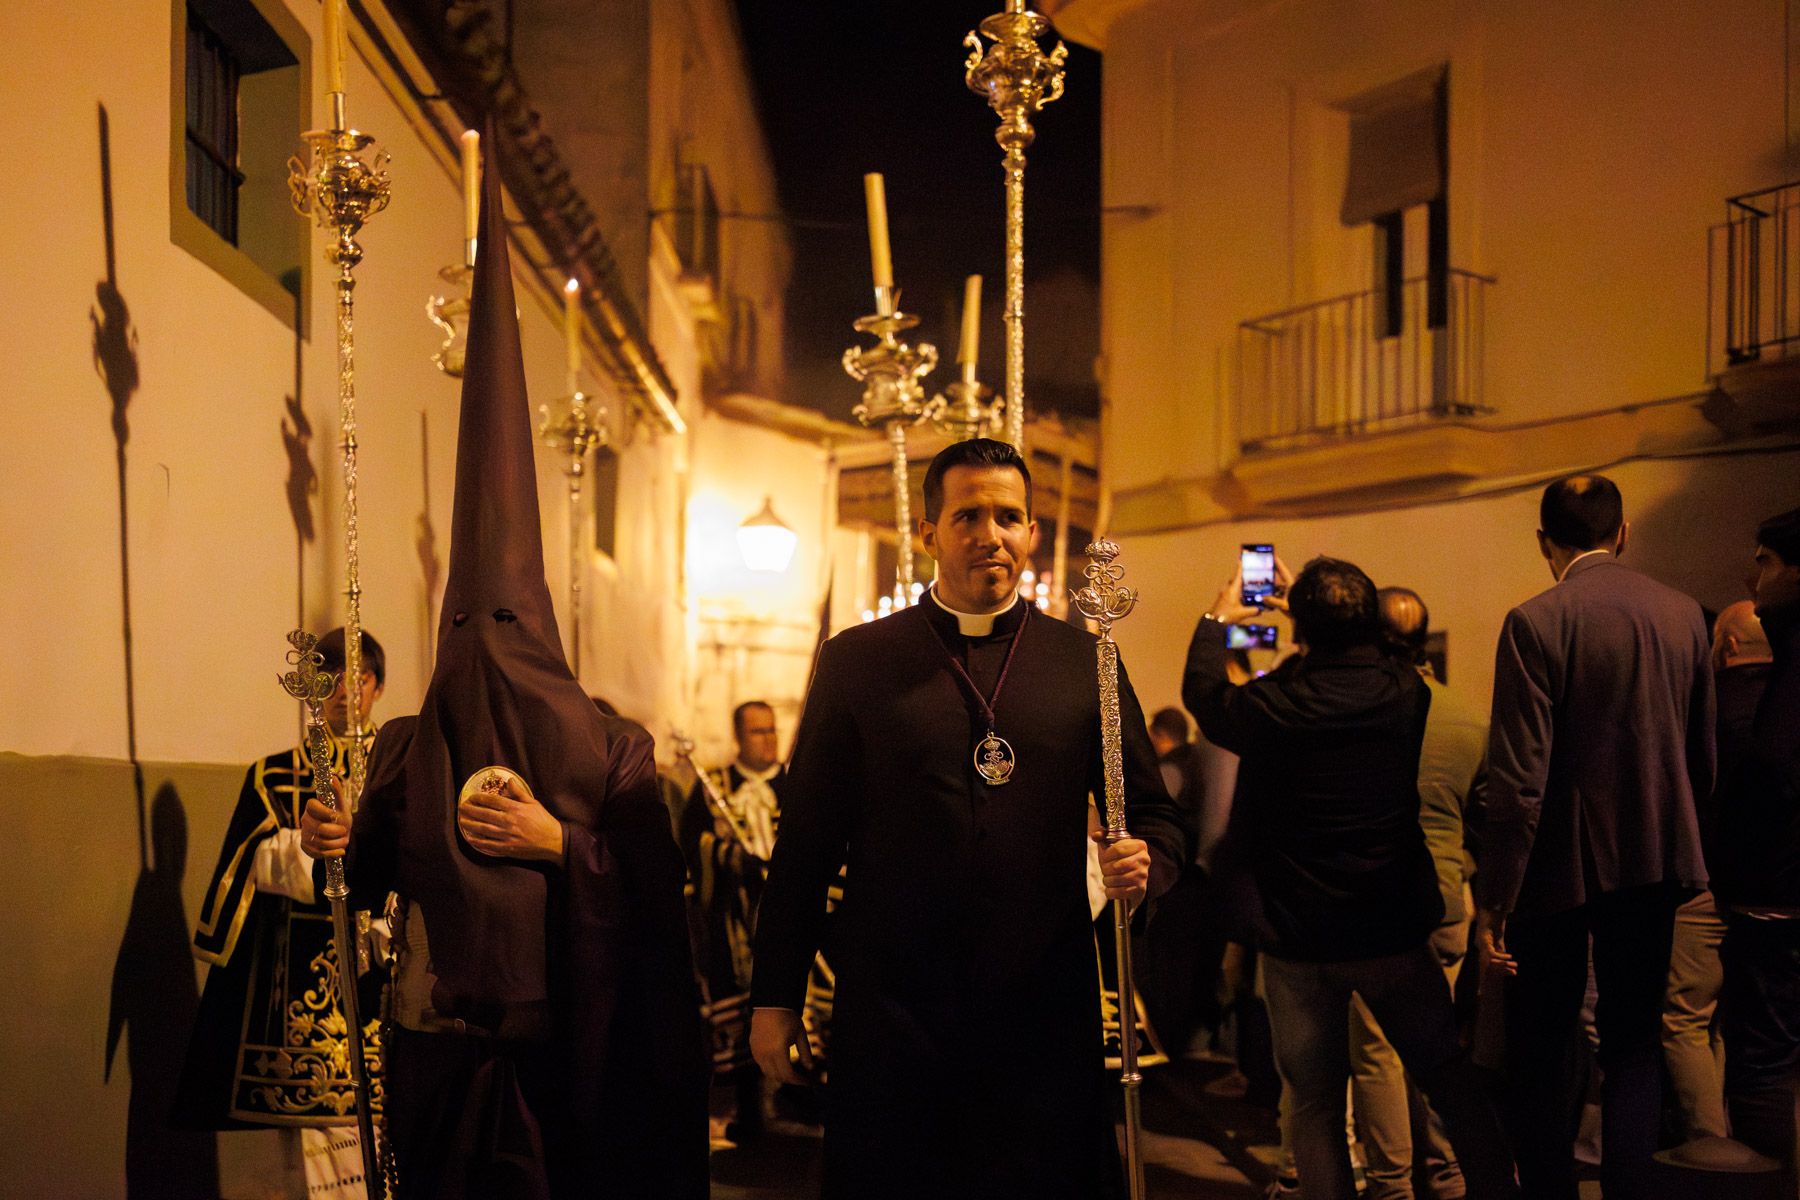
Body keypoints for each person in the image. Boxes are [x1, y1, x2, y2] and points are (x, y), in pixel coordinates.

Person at [301, 151, 705, 1199]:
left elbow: (657, 897)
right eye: (466, 626)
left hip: (563, 1058)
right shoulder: (407, 745)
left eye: (510, 625)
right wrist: (338, 842)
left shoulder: (614, 750)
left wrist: (559, 843)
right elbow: (372, 879)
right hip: (435, 1048)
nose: (485, 648)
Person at [749, 437, 1190, 1199]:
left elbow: (1153, 813)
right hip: (896, 1008)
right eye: (968, 516)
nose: (992, 534)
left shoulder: (1085, 663)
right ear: (929, 533)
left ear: (1032, 533)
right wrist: (775, 996)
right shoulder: (858, 661)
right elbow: (807, 842)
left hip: (1042, 1008)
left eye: (1009, 517)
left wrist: (1147, 863)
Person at [1184, 555, 1516, 1200]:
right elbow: (1372, 655)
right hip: (1391, 931)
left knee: (1314, 1105)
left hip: (1300, 937)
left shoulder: (1276, 705)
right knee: (1448, 1081)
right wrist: (1313, 618)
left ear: (1303, 631)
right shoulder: (1405, 693)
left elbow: (1206, 694)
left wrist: (1220, 617)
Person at [1475, 474, 1713, 1200]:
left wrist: (1497, 895)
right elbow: (1700, 754)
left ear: (1543, 541)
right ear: (1624, 533)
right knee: (1635, 1041)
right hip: (1655, 855)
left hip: (1556, 867)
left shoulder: (1534, 621)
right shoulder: (1684, 614)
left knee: (1545, 1046)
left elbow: (1518, 780)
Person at [174, 628, 388, 1199]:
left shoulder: (398, 775)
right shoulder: (274, 776)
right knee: (311, 1171)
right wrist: (305, 855)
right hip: (298, 1004)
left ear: (378, 687)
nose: (344, 691)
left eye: (358, 677)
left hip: (379, 990)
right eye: (330, 679)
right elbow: (250, 860)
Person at [1343, 587, 1486, 1200]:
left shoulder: (1360, 712)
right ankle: (1448, 1174)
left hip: (1378, 904)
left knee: (1378, 1054)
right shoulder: (1467, 716)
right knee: (1436, 1047)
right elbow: (1490, 820)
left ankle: (1392, 1187)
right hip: (1449, 902)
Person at [1663, 601, 1772, 1147]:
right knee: (1731, 1019)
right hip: (1771, 890)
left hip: (1704, 882)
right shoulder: (1784, 703)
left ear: (1726, 646)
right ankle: (1748, 1143)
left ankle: (1710, 1148)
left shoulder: (1703, 707)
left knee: (1685, 1018)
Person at [1714, 506, 1800, 1184]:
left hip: (1774, 899)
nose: (1754, 576)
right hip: (1774, 892)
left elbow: (1775, 768)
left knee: (1764, 1060)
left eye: (1766, 562)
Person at [680, 699, 785, 1138]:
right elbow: (691, 841)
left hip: (783, 916)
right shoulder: (714, 787)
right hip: (734, 921)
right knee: (740, 1007)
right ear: (739, 737)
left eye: (772, 729)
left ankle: (799, 1099)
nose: (769, 739)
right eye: (758, 731)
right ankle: (749, 1108)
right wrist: (730, 858)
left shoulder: (794, 784)